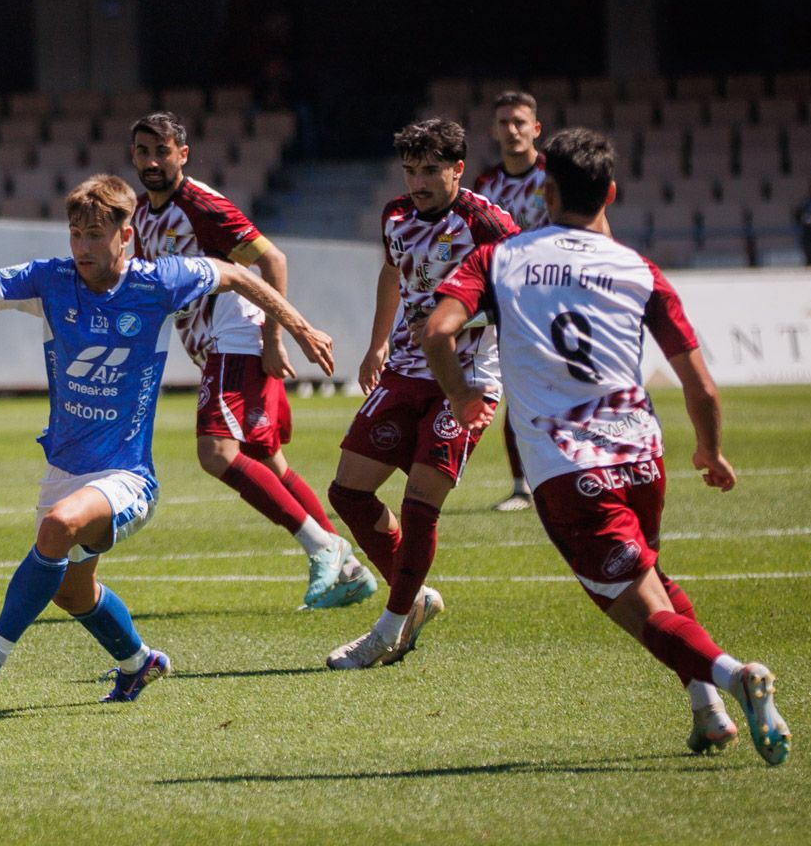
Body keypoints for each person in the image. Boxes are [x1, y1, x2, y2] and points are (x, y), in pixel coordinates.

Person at [422, 128, 789, 764]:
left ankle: (735, 676)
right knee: (650, 580)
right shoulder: (638, 268)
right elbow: (699, 383)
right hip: (643, 457)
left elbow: (437, 331)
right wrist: (710, 451)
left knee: (633, 604)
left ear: (545, 188)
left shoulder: (502, 258)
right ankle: (709, 713)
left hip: (569, 469)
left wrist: (458, 395)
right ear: (611, 193)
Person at [0, 175, 336, 702]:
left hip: (128, 476)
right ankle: (138, 663)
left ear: (126, 236)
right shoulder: (51, 279)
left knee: (58, 525)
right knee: (73, 592)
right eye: (75, 234)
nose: (83, 247)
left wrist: (298, 328)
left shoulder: (158, 282)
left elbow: (237, 274)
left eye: (95, 235)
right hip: (66, 469)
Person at [127, 111, 374, 611]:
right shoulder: (141, 212)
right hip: (215, 343)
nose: (152, 162)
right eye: (142, 152)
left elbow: (272, 260)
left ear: (183, 154)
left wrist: (273, 339)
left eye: (162, 151)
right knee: (266, 460)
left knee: (215, 453)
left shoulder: (201, 204)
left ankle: (323, 547)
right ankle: (349, 571)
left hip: (235, 333)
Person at [325, 118, 519, 671]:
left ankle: (387, 630)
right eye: (411, 170)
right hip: (406, 370)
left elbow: (518, 290)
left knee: (420, 503)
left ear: (458, 168)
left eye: (431, 170)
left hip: (467, 377)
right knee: (348, 493)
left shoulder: (487, 222)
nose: (418, 182)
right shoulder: (395, 215)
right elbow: (393, 272)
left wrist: (465, 320)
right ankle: (414, 597)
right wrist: (377, 343)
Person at [472, 90, 552, 512]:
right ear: (494, 130)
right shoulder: (487, 185)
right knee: (518, 390)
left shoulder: (553, 177)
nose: (513, 130)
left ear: (536, 127)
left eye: (520, 121)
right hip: (509, 303)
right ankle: (523, 487)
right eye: (504, 122)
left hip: (555, 299)